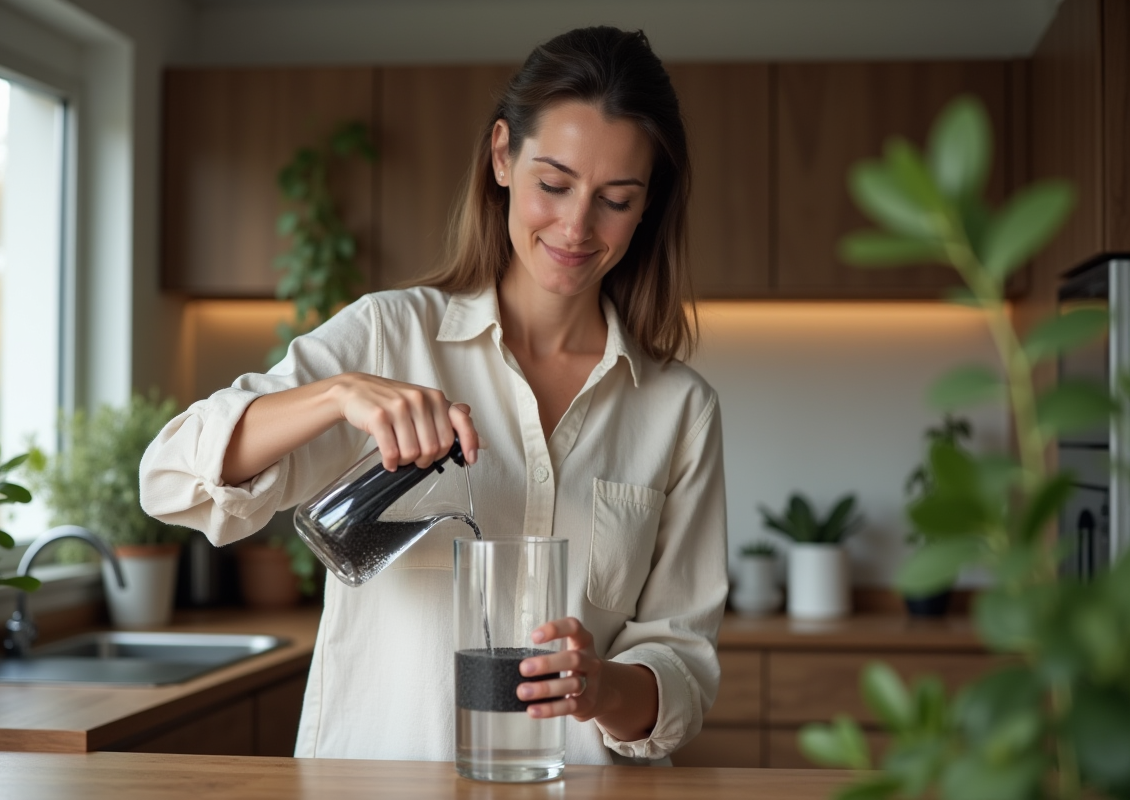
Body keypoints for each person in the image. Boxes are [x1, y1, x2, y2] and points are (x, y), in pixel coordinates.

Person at [140, 25, 728, 766]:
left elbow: (684, 665)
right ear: (502, 157)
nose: (577, 226)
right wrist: (337, 395)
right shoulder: (389, 335)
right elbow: (168, 478)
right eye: (554, 183)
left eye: (616, 198)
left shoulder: (679, 409)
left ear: (648, 206)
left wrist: (601, 686)